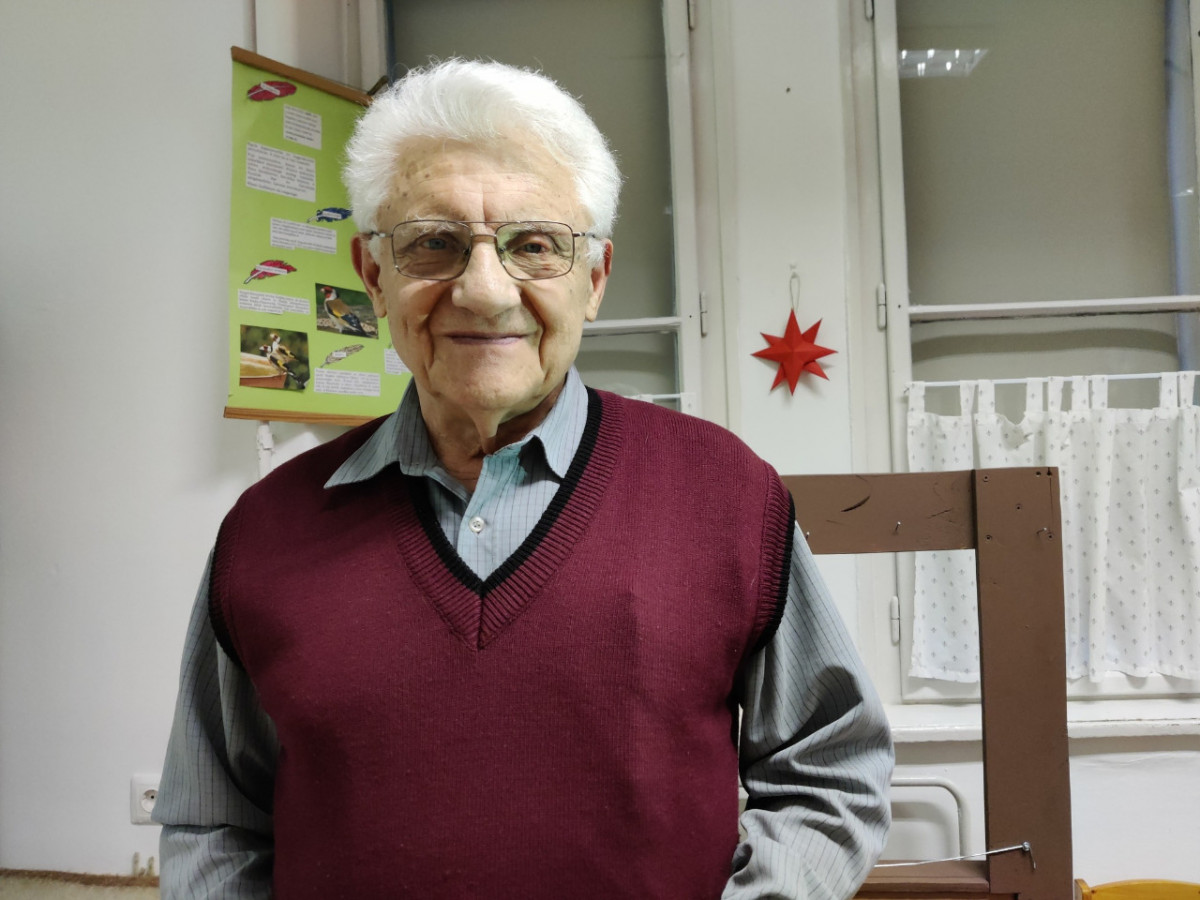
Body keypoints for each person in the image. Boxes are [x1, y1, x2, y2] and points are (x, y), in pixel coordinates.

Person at [155, 58, 894, 900]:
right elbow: (214, 824)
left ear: (595, 279)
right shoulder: (266, 532)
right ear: (373, 276)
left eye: (534, 245)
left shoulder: (725, 495)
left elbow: (830, 768)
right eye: (433, 244)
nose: (483, 291)